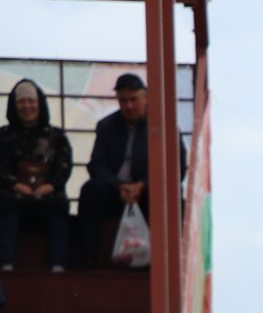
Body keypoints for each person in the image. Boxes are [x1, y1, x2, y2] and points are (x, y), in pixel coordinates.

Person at [74, 72, 181, 267]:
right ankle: (88, 257)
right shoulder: (106, 126)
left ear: (146, 98)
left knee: (171, 198)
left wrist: (144, 185)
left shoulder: (165, 126)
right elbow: (96, 164)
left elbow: (177, 167)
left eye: (133, 99)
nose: (129, 106)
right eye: (123, 100)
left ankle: (167, 261)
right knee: (90, 190)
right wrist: (119, 185)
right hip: (116, 191)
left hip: (148, 192)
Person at [0, 79, 72, 272]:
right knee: (4, 206)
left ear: (40, 103)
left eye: (31, 101)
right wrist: (16, 185)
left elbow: (64, 168)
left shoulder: (56, 136)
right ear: (14, 106)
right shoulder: (3, 135)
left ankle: (58, 265)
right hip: (13, 194)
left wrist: (49, 186)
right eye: (22, 102)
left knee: (59, 208)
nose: (27, 106)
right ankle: (5, 264)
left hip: (48, 195)